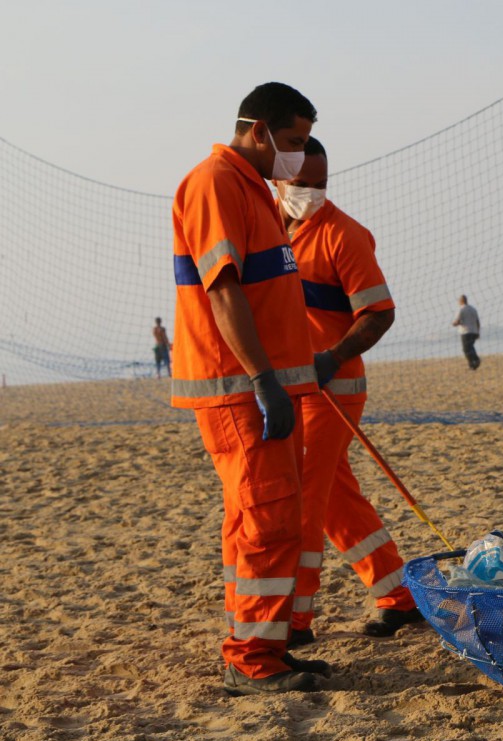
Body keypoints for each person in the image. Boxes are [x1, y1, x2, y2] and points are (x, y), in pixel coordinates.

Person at [172, 82, 331, 695]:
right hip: (241, 388)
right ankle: (252, 658)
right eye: (292, 140)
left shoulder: (253, 187)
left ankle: (262, 645)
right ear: (258, 131)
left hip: (267, 386)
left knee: (257, 519)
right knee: (268, 520)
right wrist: (264, 378)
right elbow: (222, 289)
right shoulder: (215, 182)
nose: (298, 155)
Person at [273, 137, 424, 646]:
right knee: (336, 500)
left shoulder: (344, 235)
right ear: (278, 179)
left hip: (332, 391)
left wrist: (331, 357)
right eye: (301, 184)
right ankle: (400, 595)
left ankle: (293, 622)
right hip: (288, 390)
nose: (311, 193)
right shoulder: (265, 228)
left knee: (304, 502)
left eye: (320, 184)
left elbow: (379, 313)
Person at [452, 295, 481, 369]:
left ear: (461, 301)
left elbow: (457, 321)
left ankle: (475, 361)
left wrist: (454, 324)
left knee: (466, 349)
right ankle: (473, 364)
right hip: (474, 331)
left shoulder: (461, 309)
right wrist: (478, 332)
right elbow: (477, 321)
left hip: (465, 331)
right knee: (470, 347)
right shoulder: (473, 309)